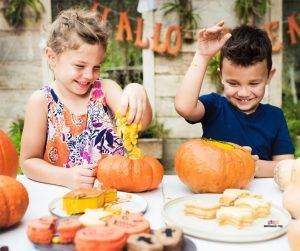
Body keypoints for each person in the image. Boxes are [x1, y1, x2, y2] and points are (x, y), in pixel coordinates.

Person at [20, 8, 152, 189]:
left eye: (96, 67)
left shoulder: (106, 90)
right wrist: (65, 177)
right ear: (52, 57)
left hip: (115, 197)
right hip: (63, 200)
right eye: (80, 65)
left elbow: (141, 123)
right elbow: (28, 162)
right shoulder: (41, 101)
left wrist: (138, 91)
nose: (89, 75)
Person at [174, 21, 295, 177]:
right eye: (233, 83)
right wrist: (202, 56)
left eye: (254, 83)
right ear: (221, 77)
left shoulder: (275, 117)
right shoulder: (215, 106)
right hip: (212, 192)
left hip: (258, 197)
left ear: (268, 77)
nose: (244, 93)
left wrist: (251, 165)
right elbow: (184, 107)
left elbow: (287, 167)